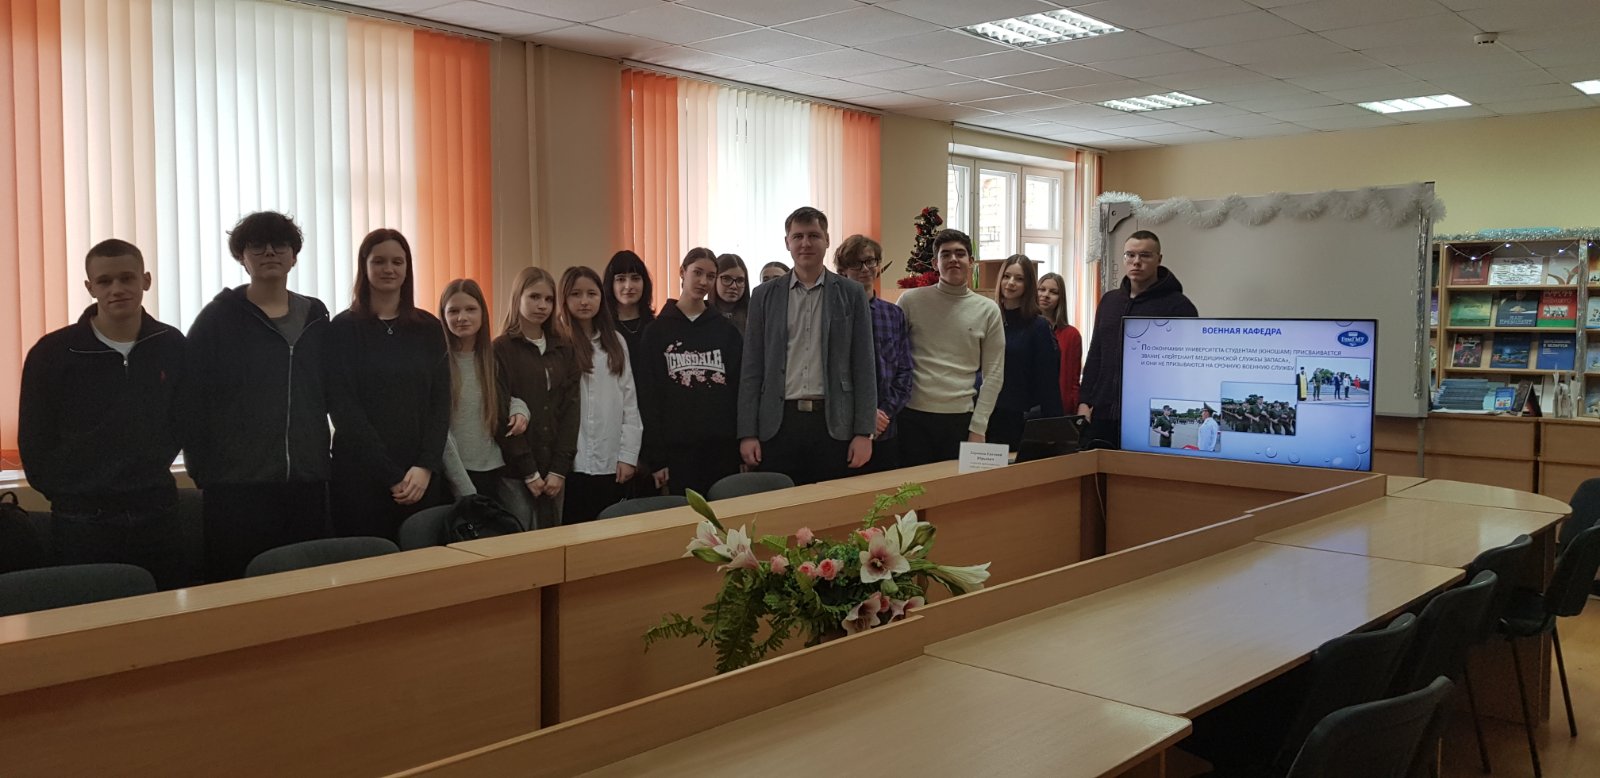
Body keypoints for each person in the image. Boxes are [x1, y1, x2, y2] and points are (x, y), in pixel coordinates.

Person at [19, 239, 187, 587]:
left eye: (127, 278)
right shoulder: (53, 353)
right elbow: (34, 439)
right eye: (104, 281)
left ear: (146, 280)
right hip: (82, 522)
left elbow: (189, 419)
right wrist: (70, 495)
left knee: (163, 612)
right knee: (90, 614)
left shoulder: (171, 344)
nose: (117, 289)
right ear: (90, 287)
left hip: (157, 513)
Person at [183, 211, 332, 581]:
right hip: (237, 488)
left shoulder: (316, 317)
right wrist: (204, 472)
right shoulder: (218, 319)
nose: (269, 252)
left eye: (279, 244)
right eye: (257, 245)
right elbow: (190, 400)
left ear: (294, 256)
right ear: (241, 257)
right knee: (239, 588)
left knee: (305, 587)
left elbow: (332, 390)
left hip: (307, 482)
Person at [325, 229, 451, 542]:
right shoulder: (342, 329)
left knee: (422, 564)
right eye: (379, 261)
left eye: (397, 261)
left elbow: (440, 404)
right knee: (367, 564)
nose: (389, 269)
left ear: (407, 268)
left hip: (420, 477)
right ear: (364, 267)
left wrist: (426, 466)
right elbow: (343, 409)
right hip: (360, 476)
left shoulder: (429, 328)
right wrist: (391, 475)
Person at [738, 207, 875, 485]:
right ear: (787, 242)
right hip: (778, 424)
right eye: (797, 236)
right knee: (781, 505)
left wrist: (864, 432)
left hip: (834, 423)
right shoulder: (763, 296)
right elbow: (752, 367)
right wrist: (747, 433)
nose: (805, 243)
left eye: (813, 235)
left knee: (829, 505)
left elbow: (864, 365)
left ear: (827, 239)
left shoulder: (851, 293)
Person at [1078, 230, 1198, 449]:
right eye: (1130, 255)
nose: (1136, 262)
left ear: (1159, 259)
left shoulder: (1179, 306)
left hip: (1147, 413)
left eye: (1145, 255)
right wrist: (1084, 401)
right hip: (1102, 411)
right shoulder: (1109, 301)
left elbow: (1185, 366)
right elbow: (1095, 354)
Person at [896, 228, 1006, 465]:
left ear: (971, 261)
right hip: (912, 419)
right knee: (913, 487)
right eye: (945, 254)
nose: (953, 259)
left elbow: (994, 374)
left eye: (960, 253)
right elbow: (892, 359)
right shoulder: (910, 301)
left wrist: (979, 427)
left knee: (957, 488)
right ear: (935, 263)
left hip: (960, 421)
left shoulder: (988, 310)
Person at [640, 248, 743, 496]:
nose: (703, 282)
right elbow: (648, 397)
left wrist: (739, 446)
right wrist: (656, 458)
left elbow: (739, 391)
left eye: (710, 276)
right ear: (682, 272)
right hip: (676, 453)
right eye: (697, 273)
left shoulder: (726, 331)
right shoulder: (656, 333)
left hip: (722, 451)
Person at [437, 278, 536, 527]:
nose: (462, 317)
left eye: (470, 309)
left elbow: (504, 396)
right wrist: (466, 489)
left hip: (496, 471)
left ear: (482, 313)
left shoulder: (493, 357)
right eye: (453, 311)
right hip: (454, 477)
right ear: (443, 316)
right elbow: (439, 430)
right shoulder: (439, 363)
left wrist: (520, 409)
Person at [495, 267, 580, 529]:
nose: (542, 305)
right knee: (521, 542)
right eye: (534, 297)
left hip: (555, 468)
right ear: (518, 297)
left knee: (555, 541)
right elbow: (500, 411)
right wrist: (529, 471)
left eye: (548, 299)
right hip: (516, 470)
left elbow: (570, 410)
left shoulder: (564, 347)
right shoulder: (501, 348)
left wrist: (559, 469)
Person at [559, 266, 642, 523]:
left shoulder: (615, 342)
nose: (584, 301)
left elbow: (630, 403)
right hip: (570, 464)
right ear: (564, 298)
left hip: (611, 460)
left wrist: (628, 456)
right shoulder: (558, 342)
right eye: (576, 294)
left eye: (591, 294)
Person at [835, 235, 913, 473]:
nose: (865, 269)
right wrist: (864, 416)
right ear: (843, 270)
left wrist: (883, 413)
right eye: (856, 264)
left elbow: (904, 371)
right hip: (843, 430)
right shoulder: (833, 314)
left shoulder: (893, 314)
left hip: (885, 428)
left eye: (870, 261)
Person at [988, 255, 1063, 450]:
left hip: (1018, 419)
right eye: (1007, 276)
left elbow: (1048, 382)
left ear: (1028, 284)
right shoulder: (988, 318)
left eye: (1019, 279)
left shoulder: (1038, 326)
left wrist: (1054, 429)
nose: (1011, 283)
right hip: (982, 414)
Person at [1037, 272, 1082, 412]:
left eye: (1053, 292)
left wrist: (1073, 407)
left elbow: (1073, 380)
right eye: (1042, 289)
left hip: (1060, 407)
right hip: (1029, 406)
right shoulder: (1025, 329)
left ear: (1060, 298)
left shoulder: (1071, 335)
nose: (1046, 295)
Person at [712, 253, 750, 335]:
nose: (734, 286)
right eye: (726, 278)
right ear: (714, 279)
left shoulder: (755, 316)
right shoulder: (701, 314)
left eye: (740, 280)